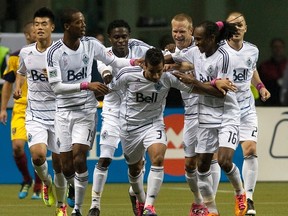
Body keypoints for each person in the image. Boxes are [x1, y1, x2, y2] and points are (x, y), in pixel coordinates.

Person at [108, 47, 235, 216]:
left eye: (159, 71)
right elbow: (109, 89)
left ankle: (149, 207)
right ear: (143, 65)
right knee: (135, 169)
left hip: (153, 124)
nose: (156, 76)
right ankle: (139, 198)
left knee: (158, 158)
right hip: (129, 127)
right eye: (152, 71)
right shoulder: (127, 75)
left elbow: (195, 88)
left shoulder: (168, 77)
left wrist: (214, 84)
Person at [45, 8, 139, 216]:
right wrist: (88, 85)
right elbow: (56, 87)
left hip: (86, 109)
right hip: (62, 111)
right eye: (79, 22)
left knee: (80, 158)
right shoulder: (54, 52)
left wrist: (134, 62)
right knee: (66, 165)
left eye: (84, 21)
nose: (84, 25)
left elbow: (113, 61)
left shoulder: (91, 45)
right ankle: (71, 185)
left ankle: (78, 209)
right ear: (67, 26)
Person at [173, 21, 247, 216]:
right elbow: (175, 57)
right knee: (202, 165)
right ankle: (212, 211)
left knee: (223, 160)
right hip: (205, 115)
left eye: (199, 39)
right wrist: (153, 60)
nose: (195, 43)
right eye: (195, 39)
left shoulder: (225, 57)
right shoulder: (196, 52)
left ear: (211, 38)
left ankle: (240, 193)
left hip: (227, 114)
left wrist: (194, 81)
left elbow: (220, 93)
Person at [87, 19, 152, 216]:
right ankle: (95, 205)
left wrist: (169, 51)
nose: (121, 40)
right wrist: (108, 78)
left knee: (137, 164)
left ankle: (135, 192)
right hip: (113, 112)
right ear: (110, 38)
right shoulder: (104, 54)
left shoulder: (140, 48)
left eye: (124, 36)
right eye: (117, 37)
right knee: (105, 158)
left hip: (136, 112)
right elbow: (106, 73)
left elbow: (159, 57)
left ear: (129, 36)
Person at [13, 7, 68, 216]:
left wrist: (55, 75)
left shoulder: (61, 52)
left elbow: (70, 78)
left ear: (52, 27)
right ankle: (45, 183)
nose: (40, 28)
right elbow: (21, 72)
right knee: (37, 156)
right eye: (37, 24)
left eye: (44, 24)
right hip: (35, 112)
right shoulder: (26, 51)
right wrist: (19, 86)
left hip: (58, 112)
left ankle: (61, 205)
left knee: (60, 164)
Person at [167, 13, 221, 215]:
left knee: (209, 159)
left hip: (210, 109)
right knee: (189, 165)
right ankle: (199, 201)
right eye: (175, 31)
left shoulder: (203, 49)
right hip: (190, 114)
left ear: (191, 31)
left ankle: (208, 207)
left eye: (182, 31)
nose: (178, 35)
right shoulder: (170, 53)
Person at [223, 12, 271, 215]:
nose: (236, 29)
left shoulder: (253, 50)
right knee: (222, 159)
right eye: (232, 25)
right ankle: (215, 201)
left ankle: (249, 199)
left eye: (239, 25)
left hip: (246, 108)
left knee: (250, 150)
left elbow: (252, 71)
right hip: (224, 110)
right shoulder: (219, 51)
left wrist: (260, 86)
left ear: (245, 28)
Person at [0, 21, 43, 200]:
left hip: (40, 108)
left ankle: (39, 183)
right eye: (34, 31)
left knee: (37, 151)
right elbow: (8, 85)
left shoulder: (48, 55)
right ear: (27, 35)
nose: (39, 33)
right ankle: (26, 179)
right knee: (18, 148)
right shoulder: (15, 58)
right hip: (20, 109)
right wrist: (3, 108)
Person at [258, 38, 287, 106]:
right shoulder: (264, 66)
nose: (278, 49)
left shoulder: (286, 64)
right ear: (271, 48)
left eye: (280, 47)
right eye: (275, 47)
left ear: (283, 48)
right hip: (269, 102)